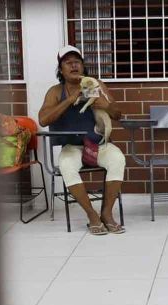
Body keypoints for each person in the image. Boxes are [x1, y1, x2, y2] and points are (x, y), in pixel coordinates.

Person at [38, 45, 125, 235]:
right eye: (68, 63)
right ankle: (92, 216)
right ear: (61, 69)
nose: (74, 66)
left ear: (83, 66)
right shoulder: (55, 91)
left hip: (99, 144)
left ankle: (107, 214)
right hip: (72, 147)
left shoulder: (96, 84)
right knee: (68, 166)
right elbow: (43, 120)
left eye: (77, 62)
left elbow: (118, 114)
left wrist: (107, 106)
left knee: (118, 159)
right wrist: (70, 100)